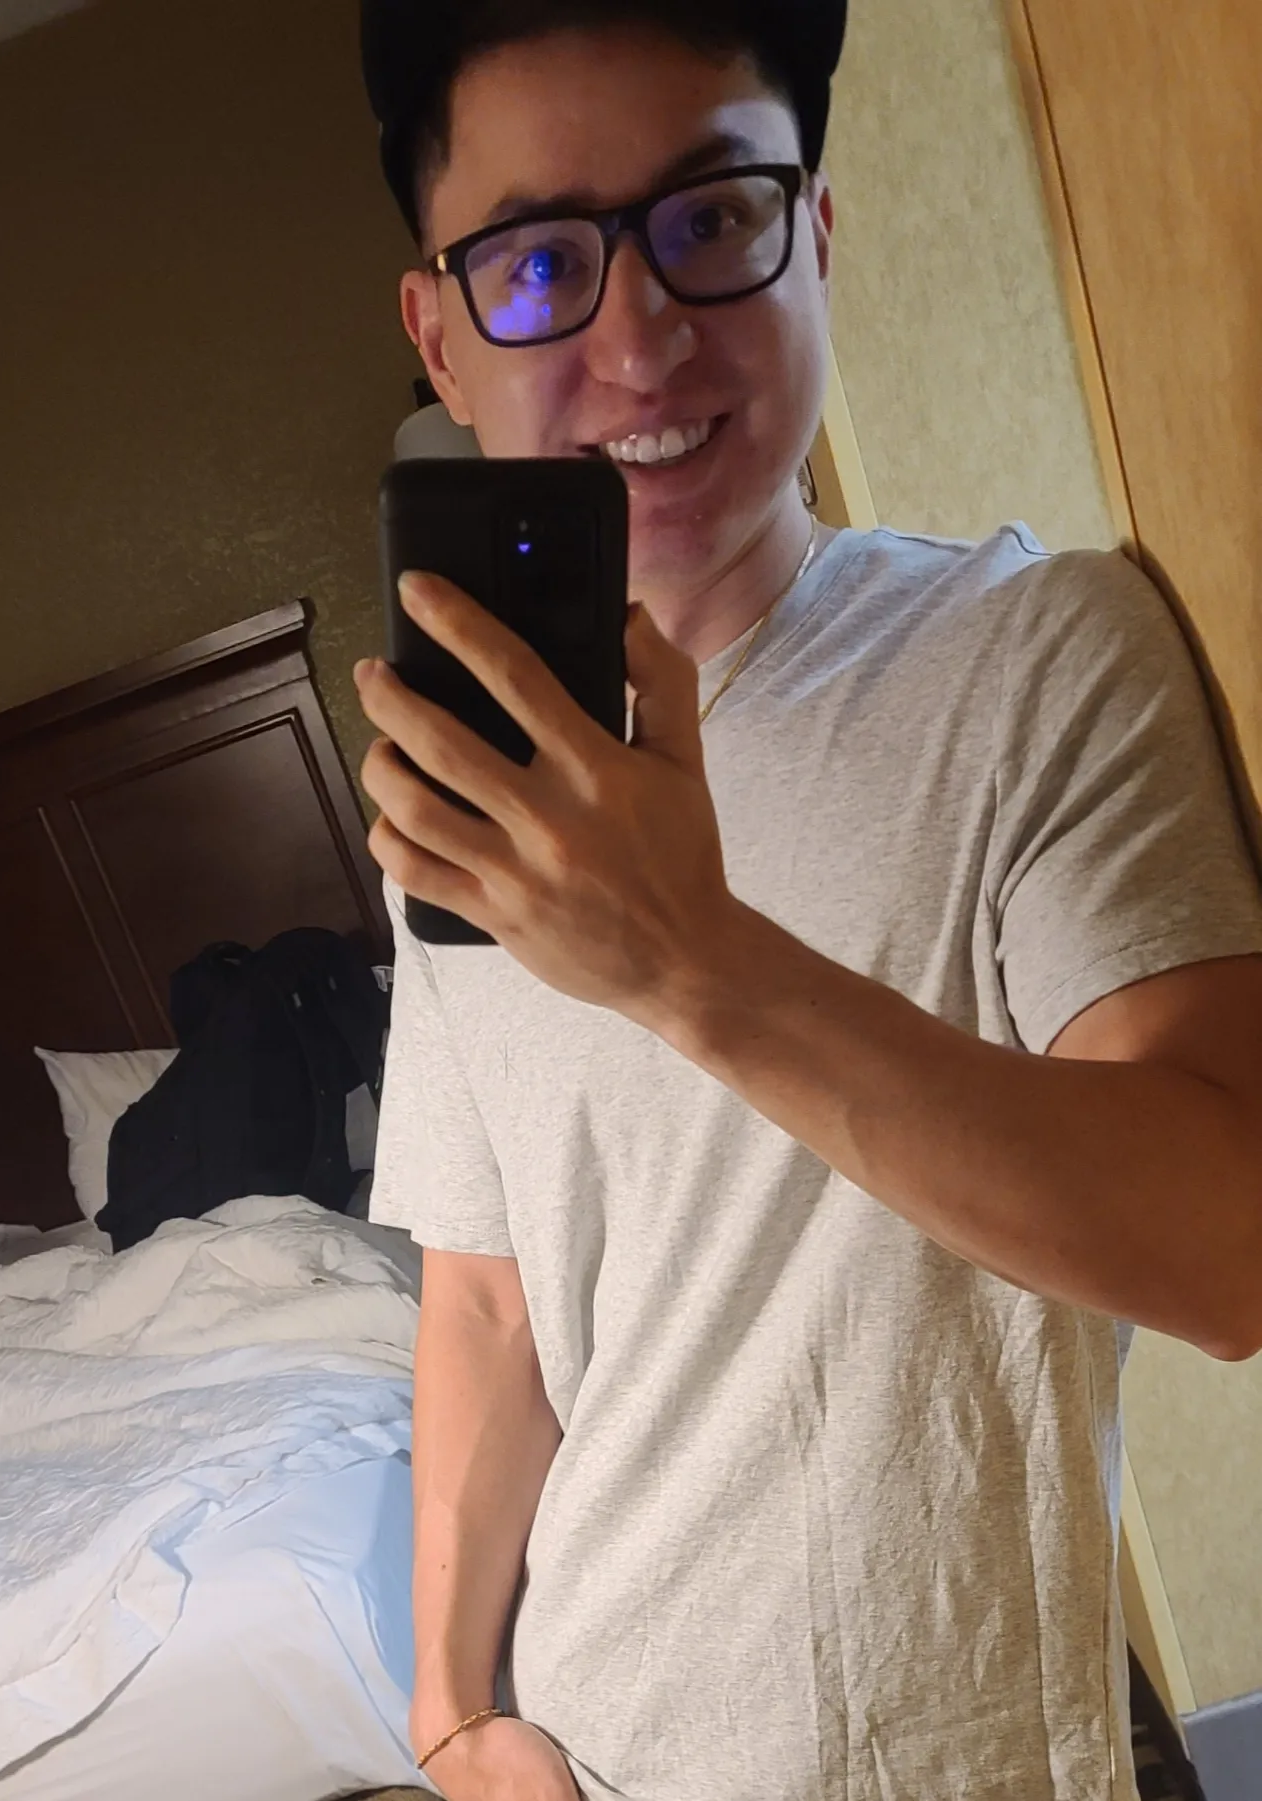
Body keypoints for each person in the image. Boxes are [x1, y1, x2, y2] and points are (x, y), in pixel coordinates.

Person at [353, 3, 1262, 1797]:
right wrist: (449, 1711)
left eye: (711, 219)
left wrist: (695, 967)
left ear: (818, 234)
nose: (639, 342)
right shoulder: (476, 801)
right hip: (592, 1748)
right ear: (441, 341)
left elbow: (1230, 1250)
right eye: (537, 266)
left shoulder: (1039, 655)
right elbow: (487, 1298)